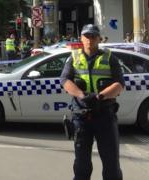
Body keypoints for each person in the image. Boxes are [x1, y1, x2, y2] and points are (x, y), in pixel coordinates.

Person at [60, 24, 124, 180]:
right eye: (86, 36)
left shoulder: (110, 58)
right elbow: (65, 80)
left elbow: (119, 84)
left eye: (93, 36)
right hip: (81, 117)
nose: (89, 40)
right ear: (81, 38)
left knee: (111, 165)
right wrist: (82, 95)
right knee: (81, 165)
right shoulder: (73, 58)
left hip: (105, 116)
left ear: (99, 38)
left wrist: (99, 97)